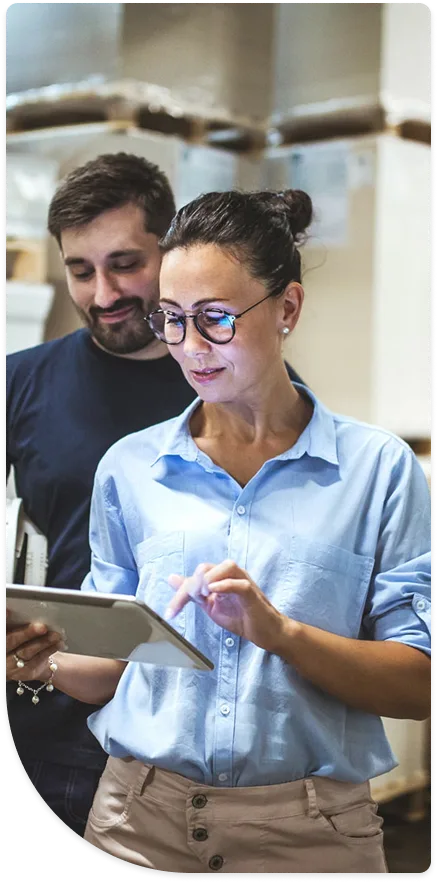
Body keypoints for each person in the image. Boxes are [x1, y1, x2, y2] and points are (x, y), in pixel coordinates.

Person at [7, 188, 430, 873]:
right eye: (171, 319)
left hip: (311, 833)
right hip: (133, 820)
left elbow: (415, 686)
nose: (190, 347)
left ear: (286, 308)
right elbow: (113, 667)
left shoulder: (376, 470)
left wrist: (281, 633)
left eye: (215, 319)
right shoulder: (130, 467)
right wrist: (43, 655)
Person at [5, 154, 303, 839]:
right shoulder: (24, 382)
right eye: (80, 271)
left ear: (169, 251)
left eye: (124, 263)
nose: (103, 291)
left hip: (189, 736)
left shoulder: (235, 380)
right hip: (50, 718)